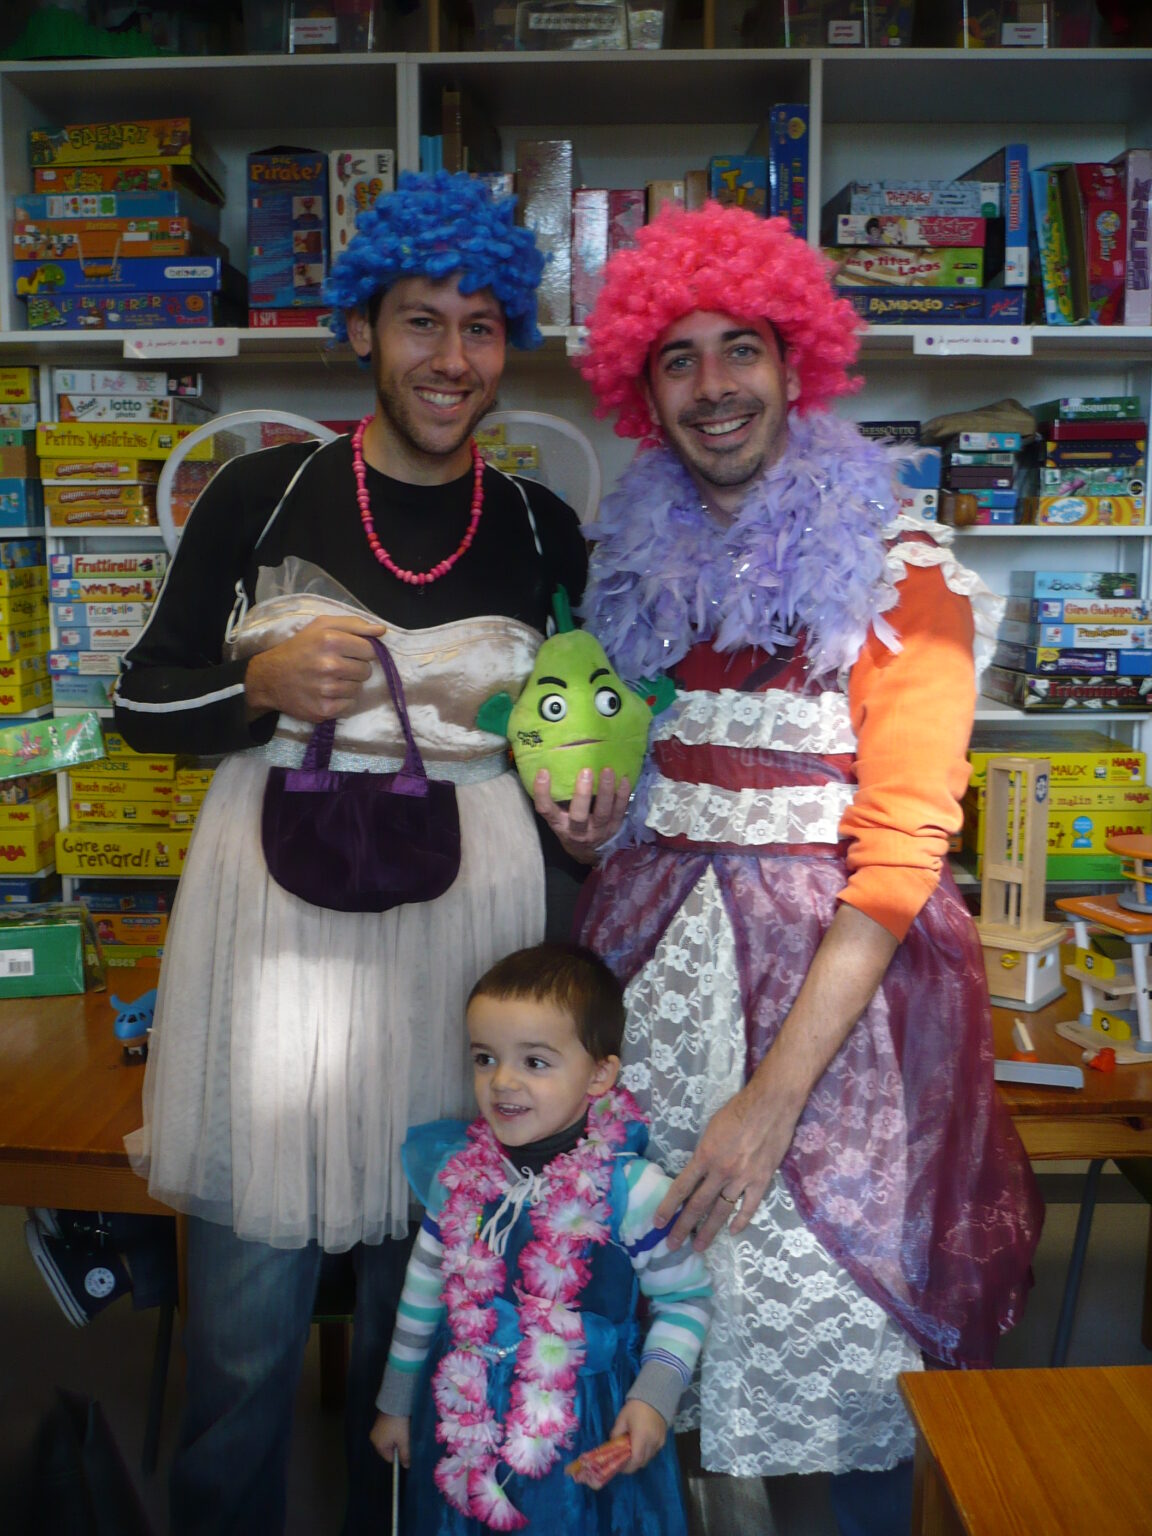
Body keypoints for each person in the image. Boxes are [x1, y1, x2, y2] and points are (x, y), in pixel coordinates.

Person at [112, 170, 618, 1536]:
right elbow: (139, 704)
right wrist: (259, 686)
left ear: (508, 345)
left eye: (480, 327)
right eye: (419, 321)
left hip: (471, 930)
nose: (451, 358)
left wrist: (584, 808)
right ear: (360, 330)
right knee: (244, 1324)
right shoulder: (259, 496)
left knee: (431, 1319)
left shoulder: (539, 528)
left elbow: (573, 736)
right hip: (273, 922)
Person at [569, 202, 1045, 1536]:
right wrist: (592, 824)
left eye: (742, 349)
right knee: (668, 1337)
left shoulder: (902, 575)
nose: (713, 386)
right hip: (649, 998)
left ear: (797, 364)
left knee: (841, 1336)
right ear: (644, 388)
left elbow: (901, 854)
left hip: (842, 1032)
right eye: (678, 358)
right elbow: (636, 788)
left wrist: (772, 1100)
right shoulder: (637, 570)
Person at [370, 942, 713, 1534]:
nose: (502, 1081)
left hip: (588, 1426)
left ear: (599, 1074)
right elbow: (422, 1293)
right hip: (467, 1422)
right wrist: (396, 1402)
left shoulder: (632, 1190)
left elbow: (686, 1300)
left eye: (534, 1061)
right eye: (484, 1058)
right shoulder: (459, 1180)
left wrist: (653, 1399)